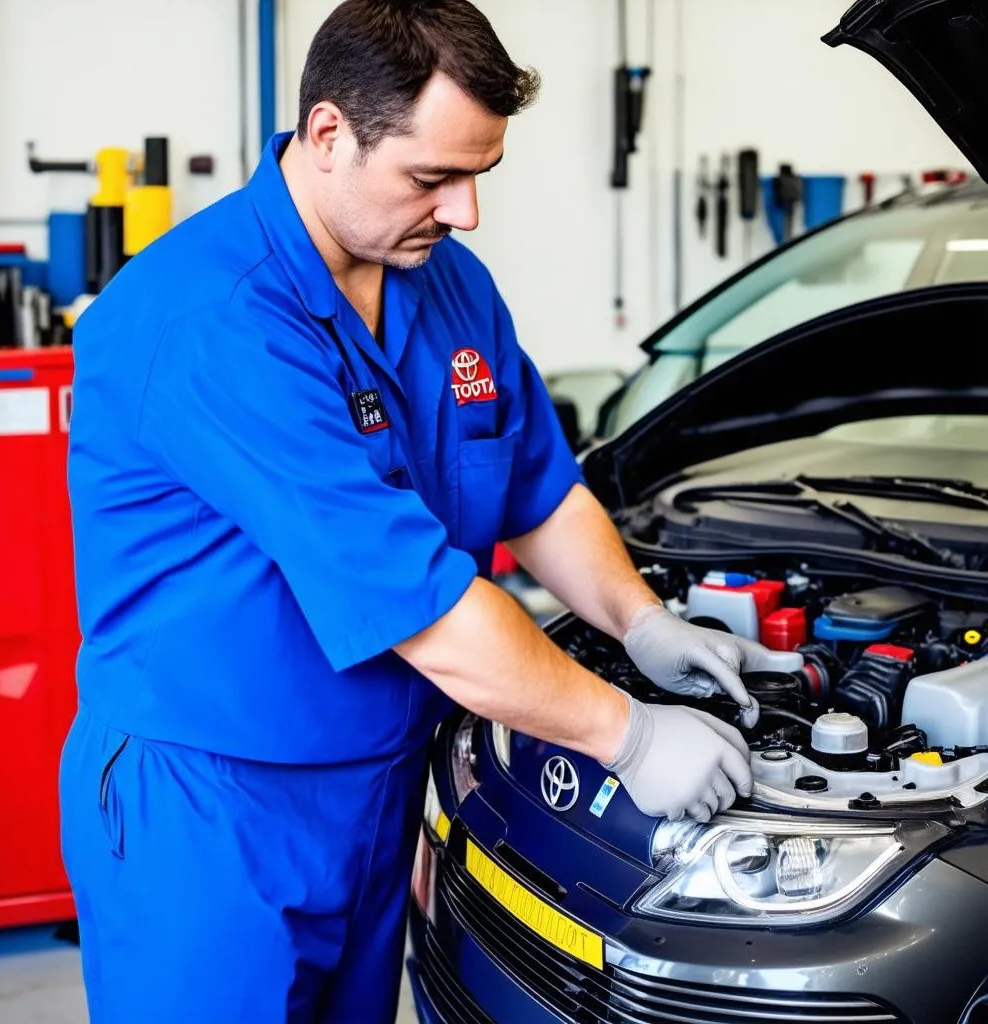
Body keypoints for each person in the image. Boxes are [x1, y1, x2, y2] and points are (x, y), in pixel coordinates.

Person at [60, 1, 794, 1021]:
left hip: (379, 789)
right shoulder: (210, 322)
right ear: (328, 135)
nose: (464, 211)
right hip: (211, 811)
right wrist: (625, 733)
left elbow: (542, 487)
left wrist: (641, 619)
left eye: (478, 174)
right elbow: (424, 607)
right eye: (432, 177)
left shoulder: (448, 287)